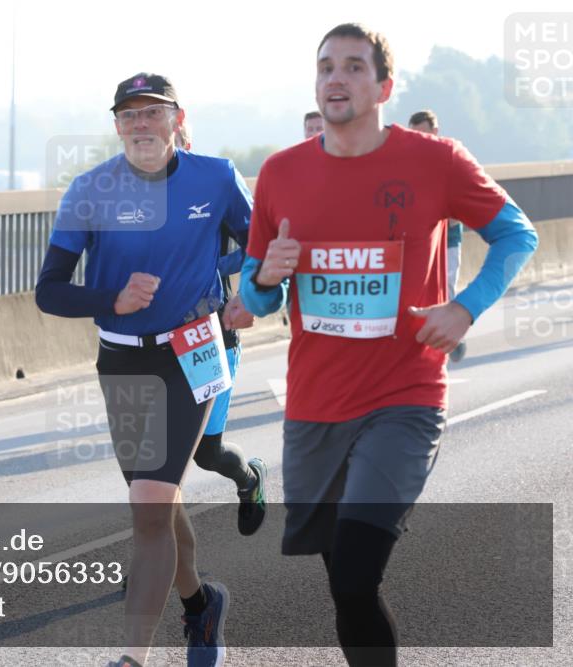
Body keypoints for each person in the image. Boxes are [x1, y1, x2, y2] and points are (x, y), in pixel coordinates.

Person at [227, 24, 537, 666]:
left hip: (405, 397)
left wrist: (465, 307)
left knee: (355, 576)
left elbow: (517, 234)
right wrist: (264, 276)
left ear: (383, 86)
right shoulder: (282, 173)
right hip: (315, 406)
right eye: (325, 67)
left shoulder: (435, 159)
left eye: (352, 67)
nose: (335, 78)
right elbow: (256, 303)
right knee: (345, 585)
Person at [37, 72, 254, 667]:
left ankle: (132, 658)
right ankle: (201, 603)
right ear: (116, 126)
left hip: (192, 350)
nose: (141, 125)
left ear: (177, 119)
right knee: (154, 498)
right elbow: (49, 292)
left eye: (152, 113)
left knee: (152, 500)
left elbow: (261, 246)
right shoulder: (89, 189)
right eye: (129, 115)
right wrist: (112, 298)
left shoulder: (217, 176)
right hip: (123, 358)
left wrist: (242, 287)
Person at [173, 125, 268, 536]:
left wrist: (209, 267)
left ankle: (249, 479)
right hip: (153, 346)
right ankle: (154, 561)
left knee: (207, 455)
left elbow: (256, 245)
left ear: (185, 142)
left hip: (208, 336)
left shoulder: (213, 185)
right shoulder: (131, 198)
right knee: (159, 464)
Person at [409, 109, 467, 361]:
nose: (419, 141)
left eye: (422, 134)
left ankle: (453, 339)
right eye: (414, 135)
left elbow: (461, 207)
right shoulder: (407, 163)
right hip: (419, 241)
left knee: (447, 290)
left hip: (449, 239)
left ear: (434, 132)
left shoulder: (449, 159)